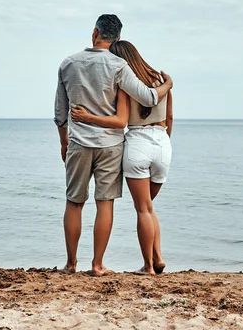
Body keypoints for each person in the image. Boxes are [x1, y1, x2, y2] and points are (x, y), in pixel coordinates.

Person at [54, 15, 173, 276]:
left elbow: (60, 113)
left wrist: (64, 142)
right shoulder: (119, 66)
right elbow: (150, 97)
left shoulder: (68, 64)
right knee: (104, 203)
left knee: (74, 202)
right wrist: (167, 85)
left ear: (94, 32)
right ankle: (97, 265)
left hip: (79, 142)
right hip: (111, 145)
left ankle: (71, 264)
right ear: (117, 38)